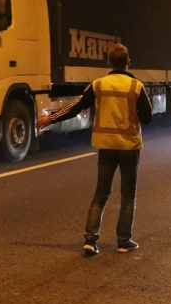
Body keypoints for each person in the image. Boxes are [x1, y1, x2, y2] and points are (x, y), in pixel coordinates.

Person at [36, 43, 153, 256]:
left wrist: (51, 118)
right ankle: (123, 241)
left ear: (108, 62)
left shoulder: (98, 85)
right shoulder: (136, 87)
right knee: (128, 196)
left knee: (101, 193)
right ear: (128, 62)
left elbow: (76, 107)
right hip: (129, 148)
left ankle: (90, 240)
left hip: (106, 148)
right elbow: (148, 118)